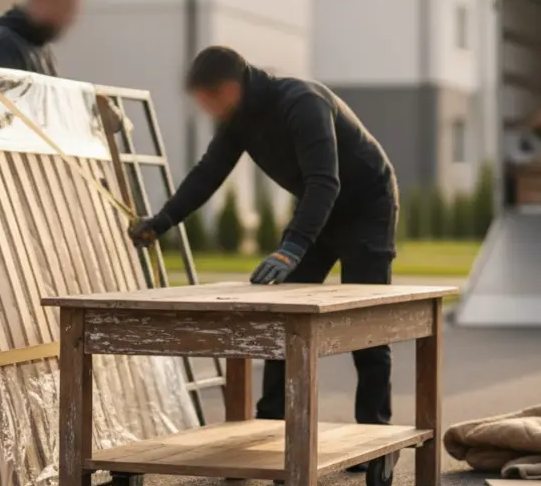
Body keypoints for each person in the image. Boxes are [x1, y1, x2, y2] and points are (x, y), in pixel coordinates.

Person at [128, 45, 399, 434]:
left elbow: (325, 180)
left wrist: (292, 248)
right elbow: (208, 173)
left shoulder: (302, 102)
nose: (206, 111)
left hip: (367, 208)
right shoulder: (239, 119)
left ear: (227, 88)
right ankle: (272, 423)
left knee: (367, 325)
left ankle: (375, 432)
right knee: (284, 317)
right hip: (317, 209)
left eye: (206, 102)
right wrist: (162, 222)